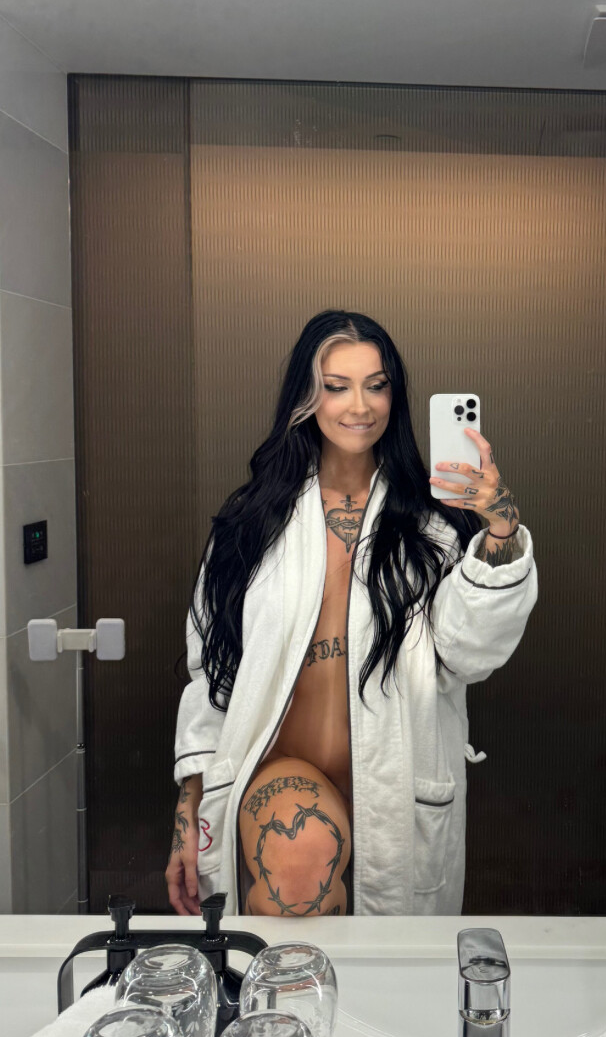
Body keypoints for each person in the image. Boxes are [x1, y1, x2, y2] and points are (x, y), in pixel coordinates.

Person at [165, 309, 537, 917]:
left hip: (396, 781)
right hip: (279, 772)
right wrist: (189, 811)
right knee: (296, 882)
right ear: (306, 397)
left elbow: (468, 657)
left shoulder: (436, 528)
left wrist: (499, 530)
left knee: (381, 964)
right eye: (336, 386)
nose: (359, 406)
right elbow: (213, 672)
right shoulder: (252, 524)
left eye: (377, 385)